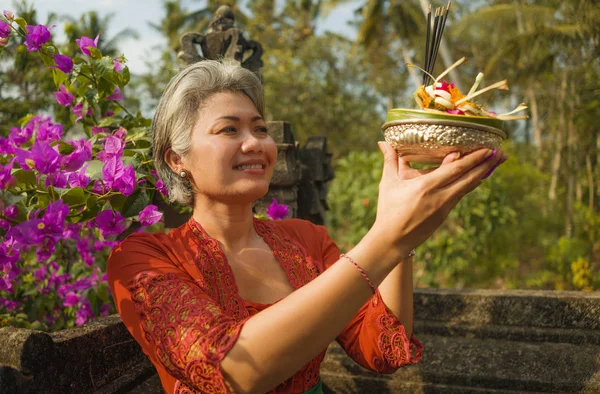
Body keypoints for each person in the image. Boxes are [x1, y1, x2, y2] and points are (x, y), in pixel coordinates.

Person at [107, 59, 507, 394]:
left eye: (260, 128)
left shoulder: (304, 239)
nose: (255, 143)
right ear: (177, 158)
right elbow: (233, 371)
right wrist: (388, 235)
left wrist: (403, 241)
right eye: (229, 129)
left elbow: (381, 350)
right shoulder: (142, 259)